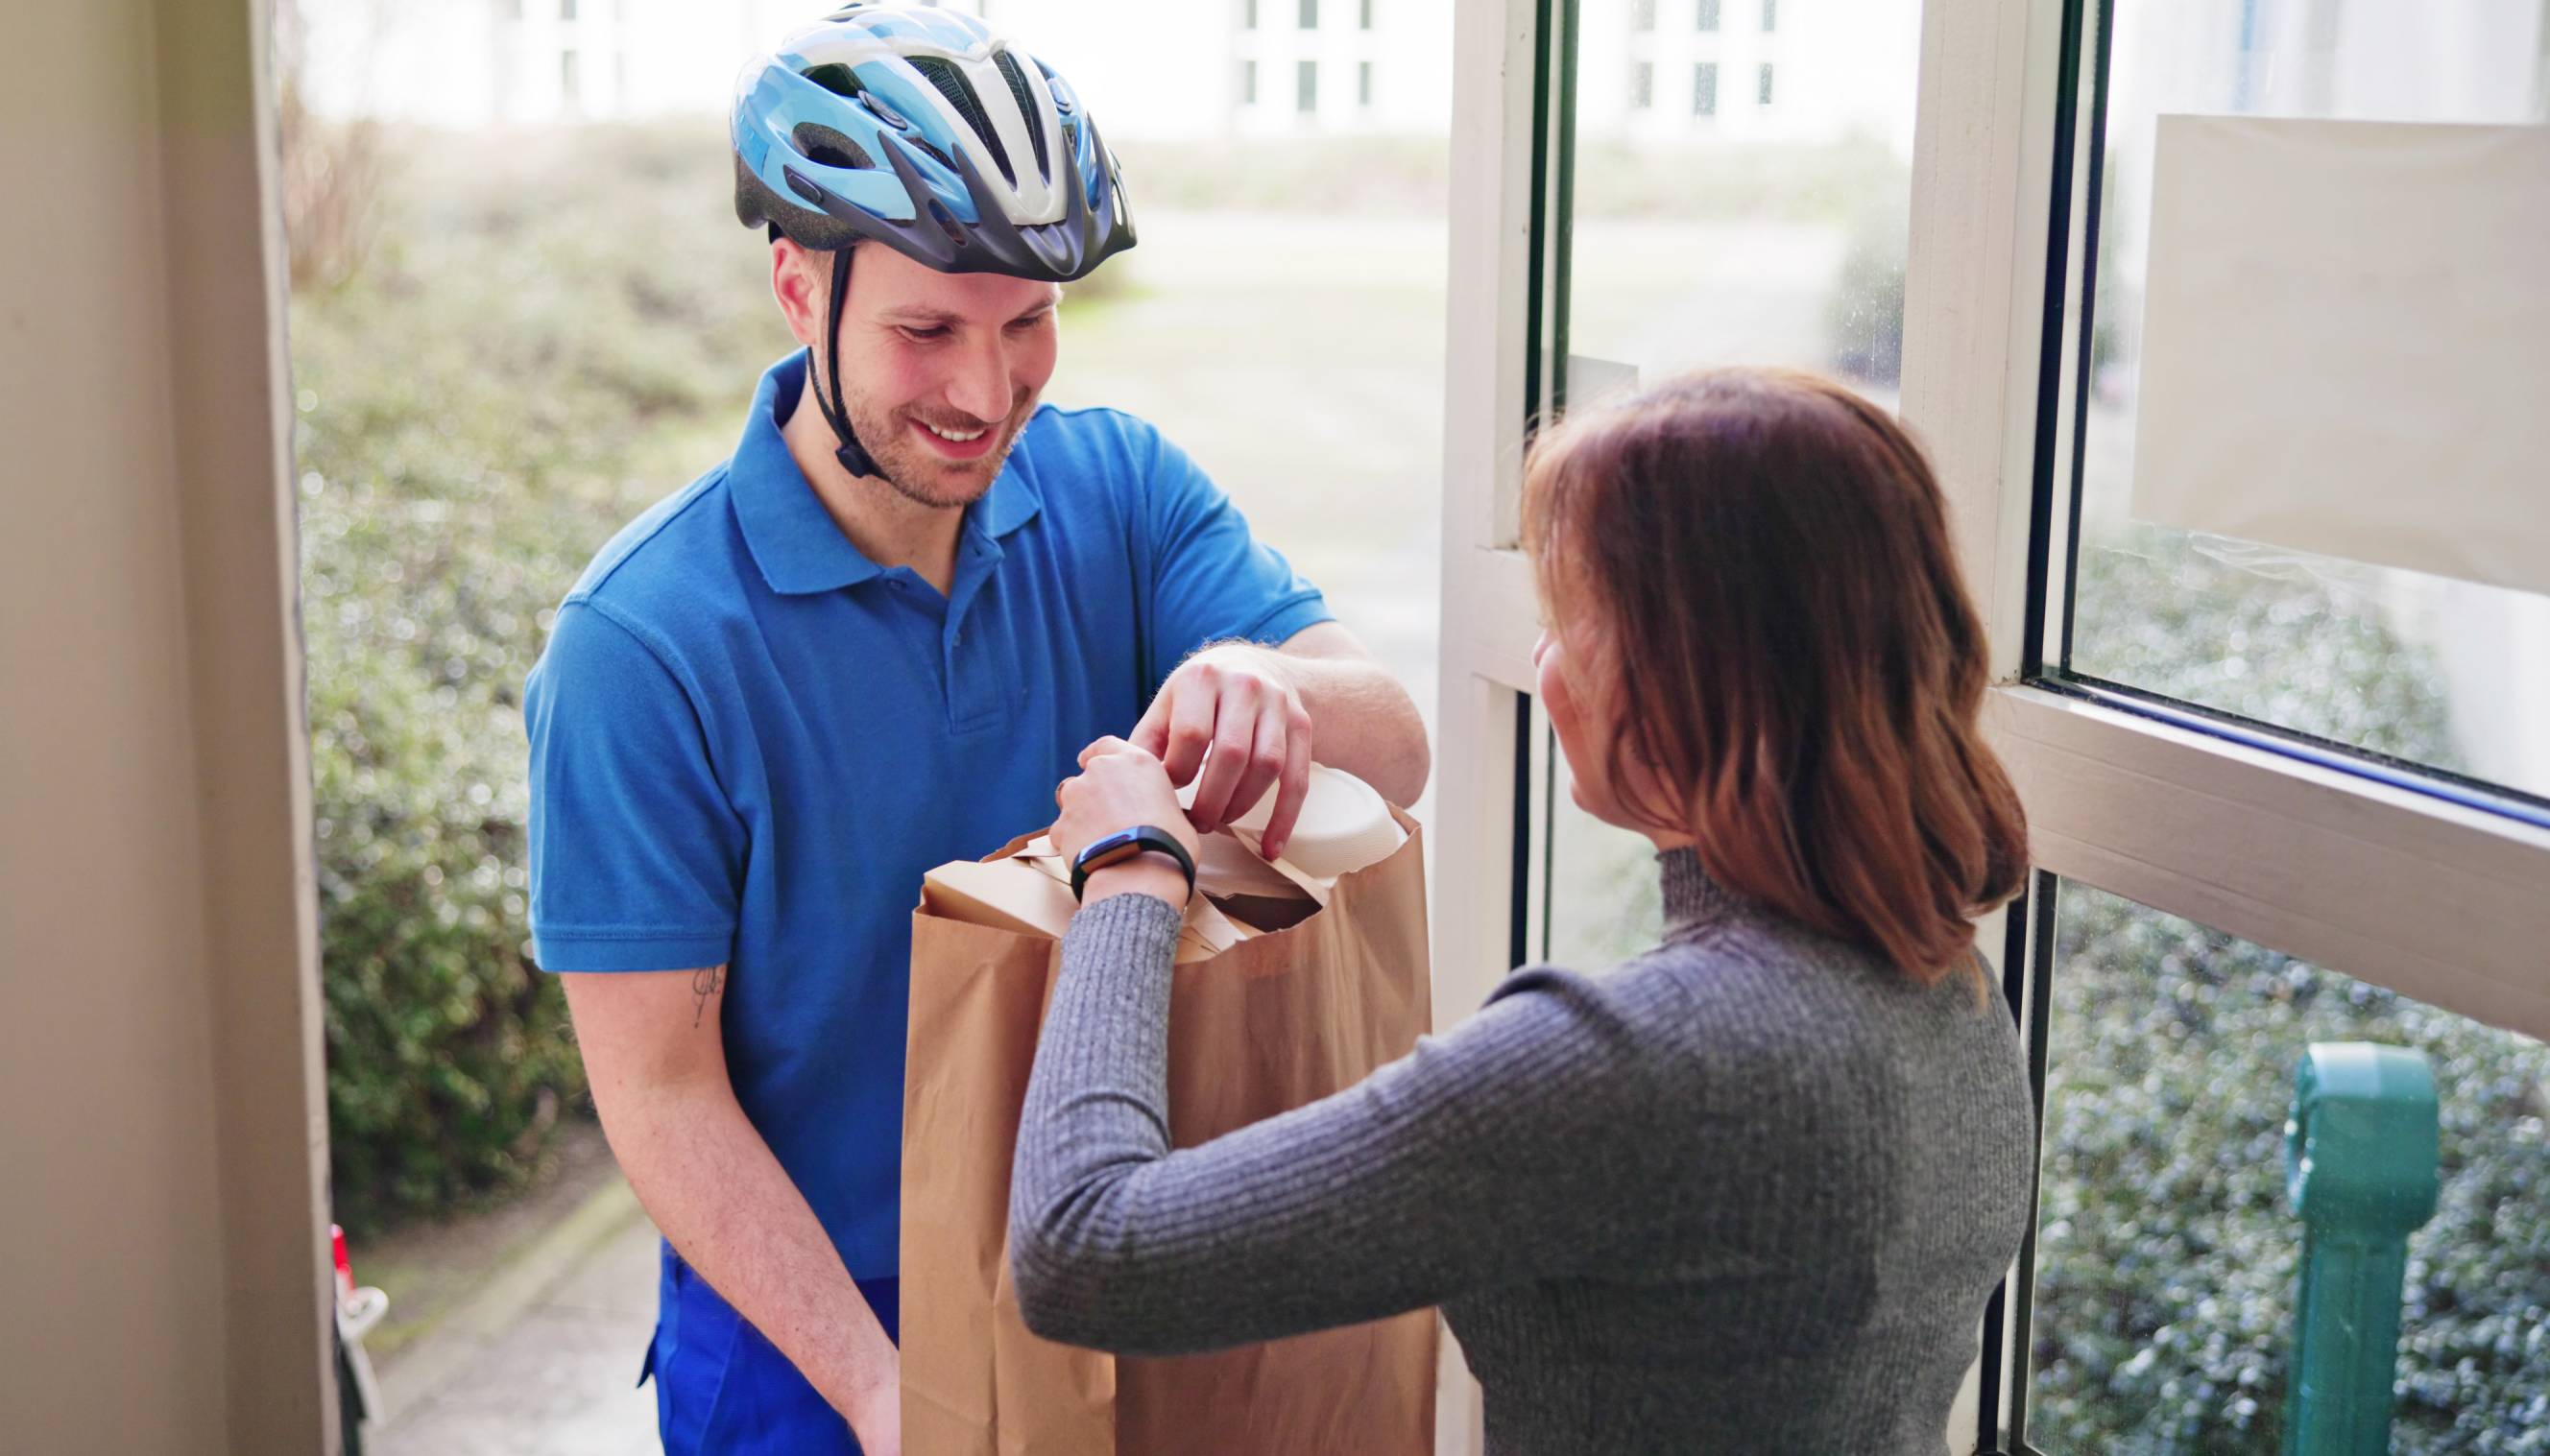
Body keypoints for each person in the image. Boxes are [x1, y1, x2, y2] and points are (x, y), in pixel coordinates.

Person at [521, 7, 1429, 1453]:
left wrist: (1275, 683)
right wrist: (892, 1397)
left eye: (1027, 322)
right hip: (815, 1334)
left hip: (1126, 1257)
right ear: (794, 285)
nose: (985, 390)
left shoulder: (1120, 491)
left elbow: (1397, 741)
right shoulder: (642, 646)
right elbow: (661, 1094)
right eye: (925, 328)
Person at [1020, 369, 2036, 1453]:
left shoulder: (1623, 1066)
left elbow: (1087, 1254)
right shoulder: (1951, 989)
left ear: (1672, 682)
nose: (1544, 661)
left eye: (1568, 617)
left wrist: (1129, 877)